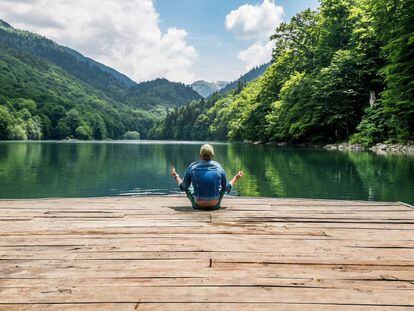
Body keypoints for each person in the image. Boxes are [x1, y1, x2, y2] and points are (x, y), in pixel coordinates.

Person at [170, 144, 243, 210]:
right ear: (212, 155)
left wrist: (176, 176)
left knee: (188, 187)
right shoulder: (219, 167)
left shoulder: (192, 167)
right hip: (215, 205)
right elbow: (227, 188)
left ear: (200, 155)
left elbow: (183, 187)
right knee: (223, 188)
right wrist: (235, 178)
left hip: (198, 205)